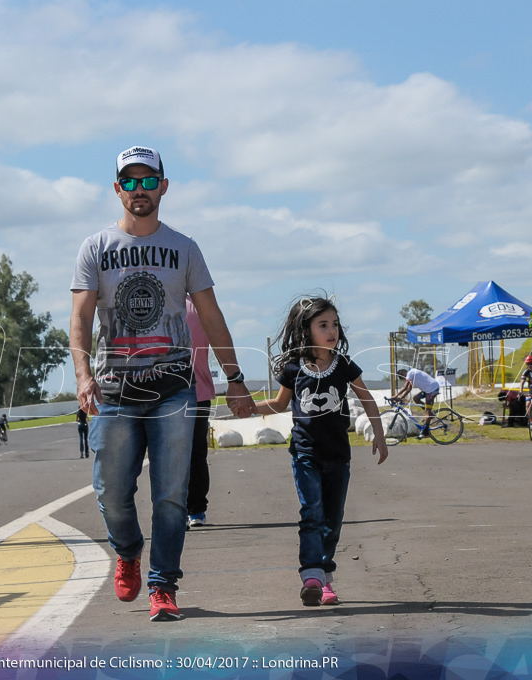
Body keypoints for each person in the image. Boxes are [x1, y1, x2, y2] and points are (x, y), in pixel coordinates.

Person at [70, 145, 255, 622]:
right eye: (129, 182)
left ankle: (162, 584)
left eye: (147, 180)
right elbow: (81, 316)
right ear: (117, 190)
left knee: (171, 493)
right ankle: (128, 550)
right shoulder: (96, 248)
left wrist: (235, 378)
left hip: (174, 386)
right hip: (114, 391)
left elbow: (211, 315)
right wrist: (84, 374)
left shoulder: (185, 248)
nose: (139, 190)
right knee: (111, 490)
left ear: (163, 186)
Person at [253, 296, 388, 607]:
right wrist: (248, 406)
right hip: (305, 454)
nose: (331, 331)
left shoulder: (343, 365)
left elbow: (367, 399)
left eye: (335, 325)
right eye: (323, 325)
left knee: (333, 519)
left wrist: (379, 435)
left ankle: (326, 578)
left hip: (339, 456)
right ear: (306, 330)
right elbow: (279, 404)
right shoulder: (293, 368)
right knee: (311, 512)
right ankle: (311, 575)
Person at [184, 294, 214, 529]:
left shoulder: (196, 305)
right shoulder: (201, 306)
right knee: (195, 453)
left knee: (185, 453)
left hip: (194, 389)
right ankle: (193, 509)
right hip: (194, 391)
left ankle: (191, 508)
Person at [394, 366, 443, 438]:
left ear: (403, 373)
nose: (405, 379)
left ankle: (426, 432)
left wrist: (396, 395)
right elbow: (408, 389)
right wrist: (401, 397)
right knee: (416, 398)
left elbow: (405, 387)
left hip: (432, 390)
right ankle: (430, 414)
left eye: (403, 378)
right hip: (428, 389)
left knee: (427, 412)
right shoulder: (412, 375)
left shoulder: (410, 373)